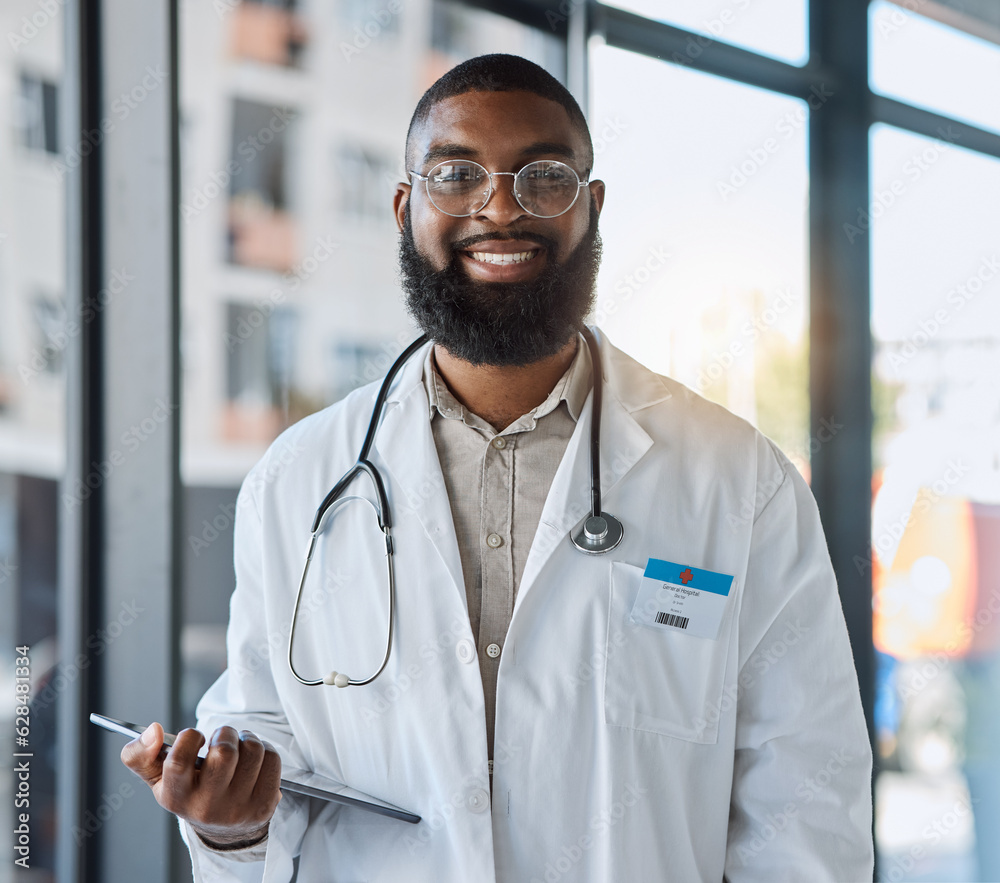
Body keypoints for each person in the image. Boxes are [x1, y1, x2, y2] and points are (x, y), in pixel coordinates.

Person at [122, 54, 874, 881]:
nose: (502, 205)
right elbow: (264, 749)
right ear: (406, 207)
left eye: (544, 175)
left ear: (592, 208)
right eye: (457, 173)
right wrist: (226, 822)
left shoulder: (740, 483)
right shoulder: (298, 479)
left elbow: (806, 809)